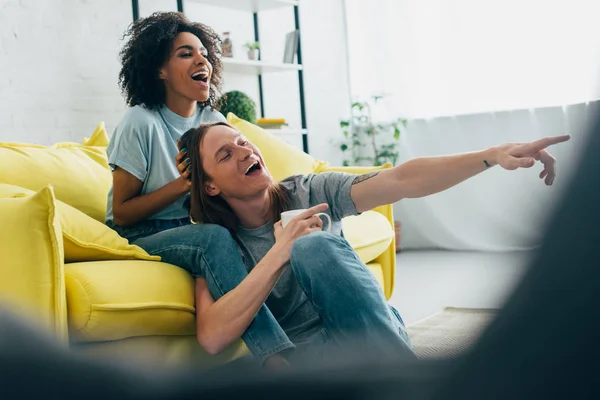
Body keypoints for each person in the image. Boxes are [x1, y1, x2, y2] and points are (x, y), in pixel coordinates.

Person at [175, 121, 570, 366]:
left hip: (373, 336)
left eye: (243, 142)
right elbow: (212, 335)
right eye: (226, 154)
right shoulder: (217, 246)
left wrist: (489, 156)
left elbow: (400, 180)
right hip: (315, 362)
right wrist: (279, 252)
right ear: (209, 185)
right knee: (300, 246)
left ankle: (400, 378)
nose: (244, 151)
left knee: (313, 247)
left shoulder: (310, 191)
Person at [104, 12, 296, 367]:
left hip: (191, 226)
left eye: (204, 53)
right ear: (159, 70)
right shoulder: (140, 122)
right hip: (141, 232)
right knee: (212, 240)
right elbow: (122, 213)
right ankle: (277, 359)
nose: (201, 60)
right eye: (185, 54)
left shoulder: (213, 123)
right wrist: (182, 186)